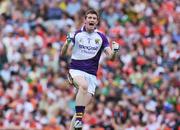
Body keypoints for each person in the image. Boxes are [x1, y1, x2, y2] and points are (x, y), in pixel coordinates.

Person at [61, 9, 119, 130]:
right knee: (83, 86)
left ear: (97, 21)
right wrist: (66, 43)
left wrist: (115, 51)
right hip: (76, 70)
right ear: (85, 20)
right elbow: (64, 53)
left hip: (91, 75)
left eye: (94, 18)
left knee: (80, 110)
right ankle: (78, 120)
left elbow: (111, 58)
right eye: (90, 18)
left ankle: (76, 123)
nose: (91, 20)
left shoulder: (101, 37)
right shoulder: (76, 34)